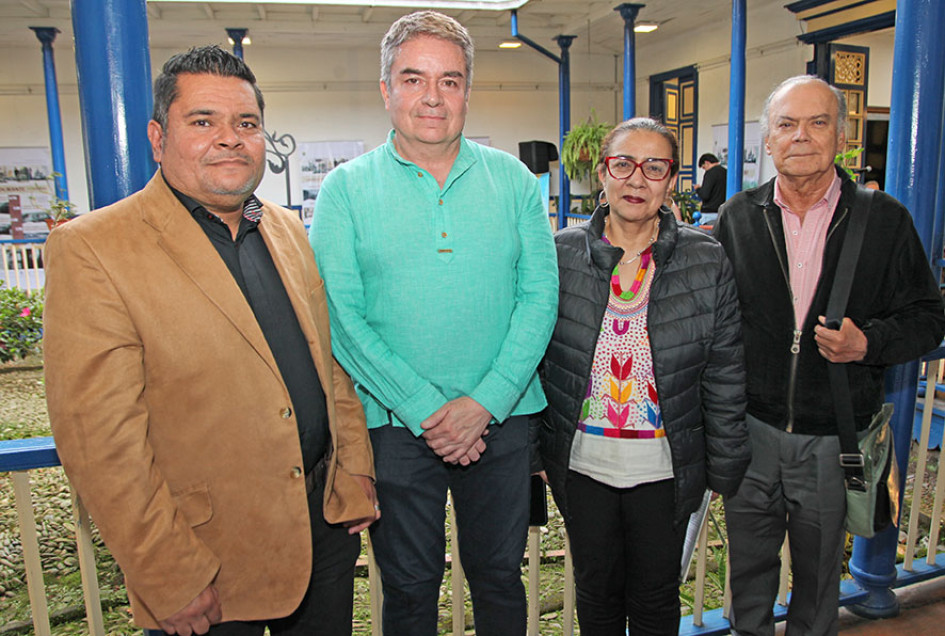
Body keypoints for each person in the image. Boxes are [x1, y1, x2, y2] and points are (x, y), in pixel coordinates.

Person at [43, 46, 379, 636]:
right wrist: (166, 574)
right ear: (157, 136)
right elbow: (101, 442)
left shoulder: (283, 228)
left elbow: (329, 363)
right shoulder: (94, 248)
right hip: (207, 563)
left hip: (321, 534)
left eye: (246, 124)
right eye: (203, 122)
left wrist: (353, 468)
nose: (230, 139)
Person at [310, 10, 558, 635]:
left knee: (500, 577)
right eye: (414, 78)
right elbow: (341, 319)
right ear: (386, 90)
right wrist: (426, 408)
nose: (432, 97)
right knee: (410, 585)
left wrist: (485, 403)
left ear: (468, 91)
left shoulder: (517, 183)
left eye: (449, 80)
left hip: (501, 422)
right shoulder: (344, 191)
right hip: (394, 426)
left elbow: (539, 299)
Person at [714, 75, 945, 636]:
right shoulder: (737, 217)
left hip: (832, 437)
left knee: (818, 582)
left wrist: (870, 343)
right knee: (747, 573)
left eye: (818, 123)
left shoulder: (884, 220)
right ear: (767, 141)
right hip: (751, 431)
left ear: (841, 136)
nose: (801, 136)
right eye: (786, 125)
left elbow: (929, 316)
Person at [537, 117, 751, 635]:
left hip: (666, 468)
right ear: (602, 173)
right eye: (623, 164)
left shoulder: (706, 259)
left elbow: (724, 370)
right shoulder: (560, 253)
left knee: (656, 599)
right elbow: (537, 362)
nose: (637, 179)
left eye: (654, 167)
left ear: (671, 179)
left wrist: (723, 468)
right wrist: (532, 454)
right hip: (582, 466)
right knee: (596, 593)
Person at [695, 152, 727, 223]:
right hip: (723, 212)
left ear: (707, 163)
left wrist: (698, 189)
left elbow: (705, 195)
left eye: (704, 167)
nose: (705, 170)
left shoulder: (710, 173)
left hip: (709, 212)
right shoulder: (726, 172)